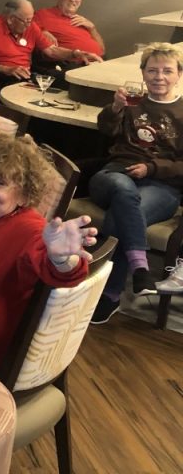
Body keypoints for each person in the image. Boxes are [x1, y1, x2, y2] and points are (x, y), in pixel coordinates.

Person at [0, 134, 96, 370]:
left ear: (24, 193)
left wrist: (62, 258)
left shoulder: (29, 230)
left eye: (0, 183)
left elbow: (65, 273)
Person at [89, 43, 183, 323]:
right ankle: (136, 272)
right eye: (152, 70)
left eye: (167, 71)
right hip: (114, 175)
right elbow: (105, 130)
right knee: (122, 189)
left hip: (162, 187)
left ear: (179, 75)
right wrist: (115, 107)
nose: (159, 77)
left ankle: (109, 293)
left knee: (128, 210)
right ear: (142, 73)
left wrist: (152, 167)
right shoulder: (132, 102)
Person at [0, 0, 97, 86]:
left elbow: (52, 50)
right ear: (11, 19)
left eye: (31, 19)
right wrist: (4, 69)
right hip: (2, 76)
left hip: (27, 74)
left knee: (68, 80)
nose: (30, 24)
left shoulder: (31, 26)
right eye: (26, 21)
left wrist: (76, 53)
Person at [32, 0, 105, 68]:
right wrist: (42, 31)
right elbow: (25, 25)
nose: (73, 0)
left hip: (99, 62)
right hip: (71, 65)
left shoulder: (82, 20)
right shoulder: (43, 14)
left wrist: (92, 28)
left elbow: (102, 50)